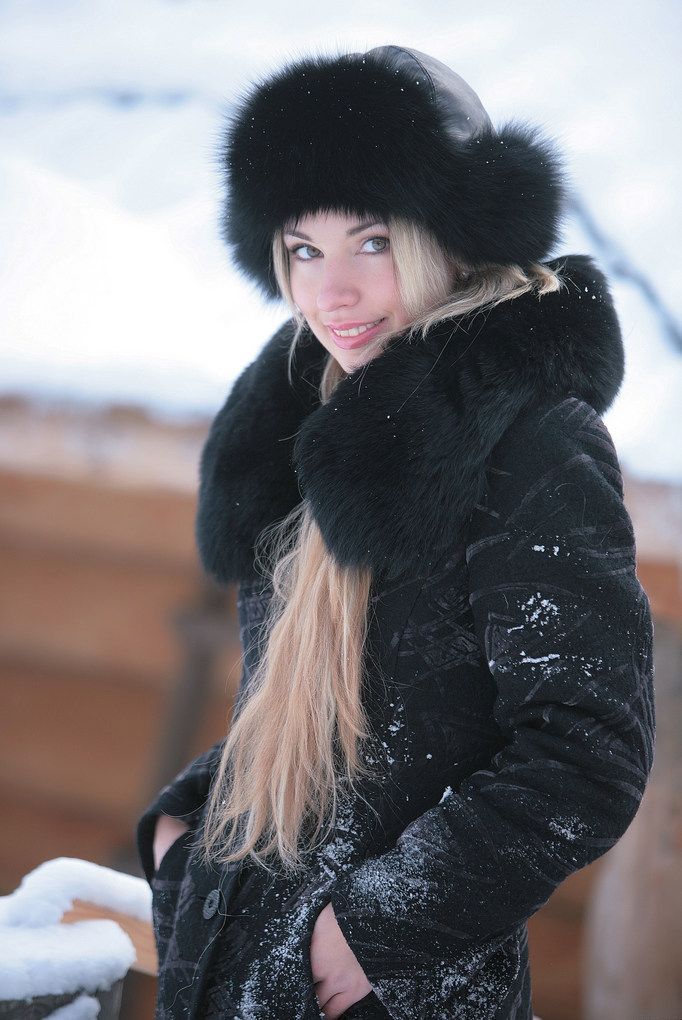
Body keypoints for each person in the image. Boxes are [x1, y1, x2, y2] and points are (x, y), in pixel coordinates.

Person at [136, 45, 655, 1020]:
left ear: (450, 236)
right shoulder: (310, 425)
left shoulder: (532, 442)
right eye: (303, 248)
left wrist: (366, 934)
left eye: (370, 240)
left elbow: (587, 751)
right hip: (251, 961)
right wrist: (189, 824)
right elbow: (347, 731)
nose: (332, 290)